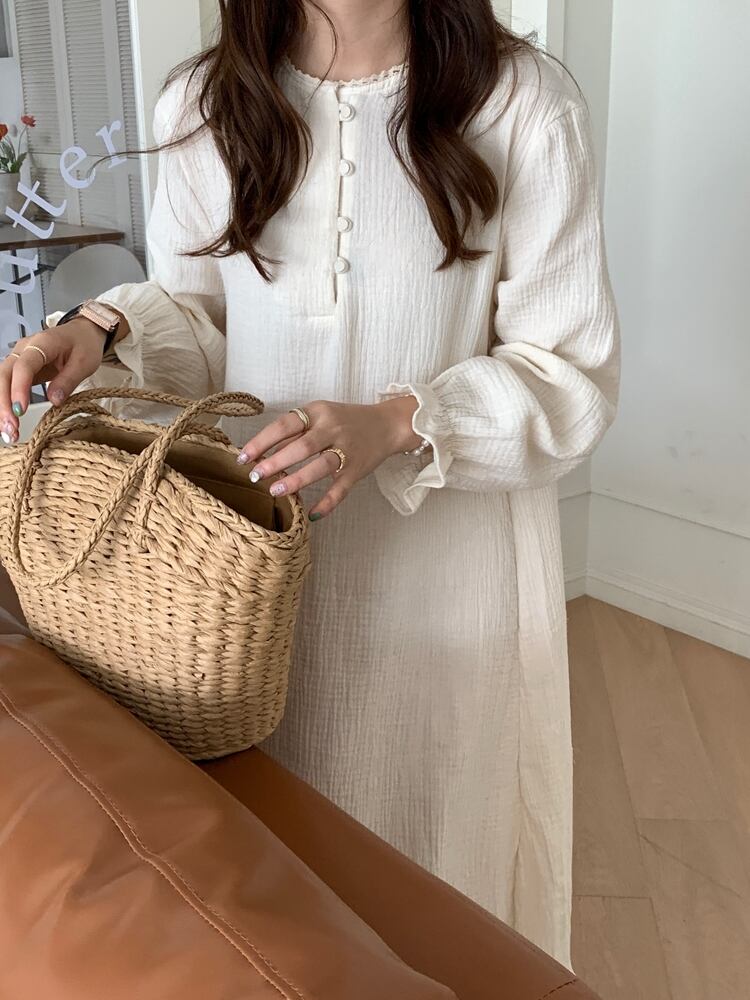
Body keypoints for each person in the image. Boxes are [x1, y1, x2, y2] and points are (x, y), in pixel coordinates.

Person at [0, 0, 620, 971]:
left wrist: (399, 421)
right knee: (293, 907)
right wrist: (99, 327)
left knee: (446, 876)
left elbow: (570, 373)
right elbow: (206, 324)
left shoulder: (521, 104)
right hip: (254, 594)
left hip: (450, 588)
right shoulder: (204, 105)